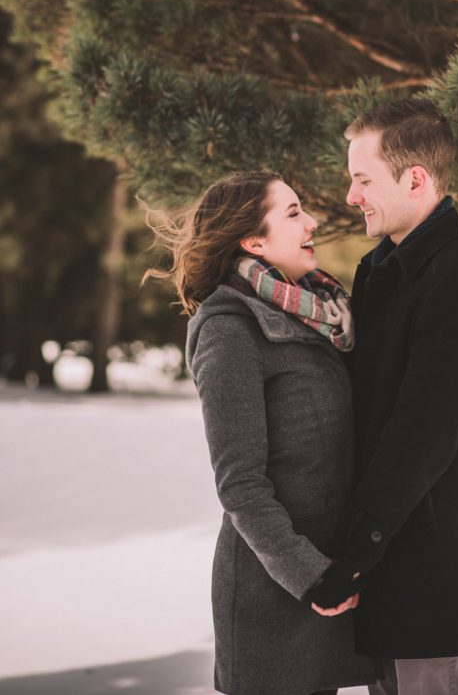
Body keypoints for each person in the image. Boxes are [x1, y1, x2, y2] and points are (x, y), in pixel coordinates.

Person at [143, 171, 377, 695]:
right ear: (253, 241)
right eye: (293, 213)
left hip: (333, 582)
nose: (313, 222)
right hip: (276, 599)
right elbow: (240, 485)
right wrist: (310, 575)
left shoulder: (318, 315)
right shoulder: (229, 327)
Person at [308, 99, 458, 695]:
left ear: (415, 179)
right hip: (386, 562)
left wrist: (350, 556)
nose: (351, 196)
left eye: (363, 179)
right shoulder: (381, 271)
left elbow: (419, 439)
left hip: (432, 571)